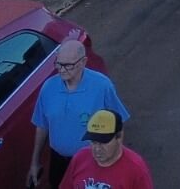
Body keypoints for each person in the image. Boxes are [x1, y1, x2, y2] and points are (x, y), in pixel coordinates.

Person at [30, 39, 131, 188]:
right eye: (58, 63)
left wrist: (116, 160)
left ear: (83, 62)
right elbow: (42, 126)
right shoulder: (48, 88)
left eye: (68, 65)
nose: (62, 70)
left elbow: (118, 125)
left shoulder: (102, 86)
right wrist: (35, 162)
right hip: (58, 161)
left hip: (92, 161)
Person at [60, 109, 153, 189]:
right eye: (93, 142)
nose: (97, 149)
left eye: (103, 142)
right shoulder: (80, 158)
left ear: (119, 137)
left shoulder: (136, 169)